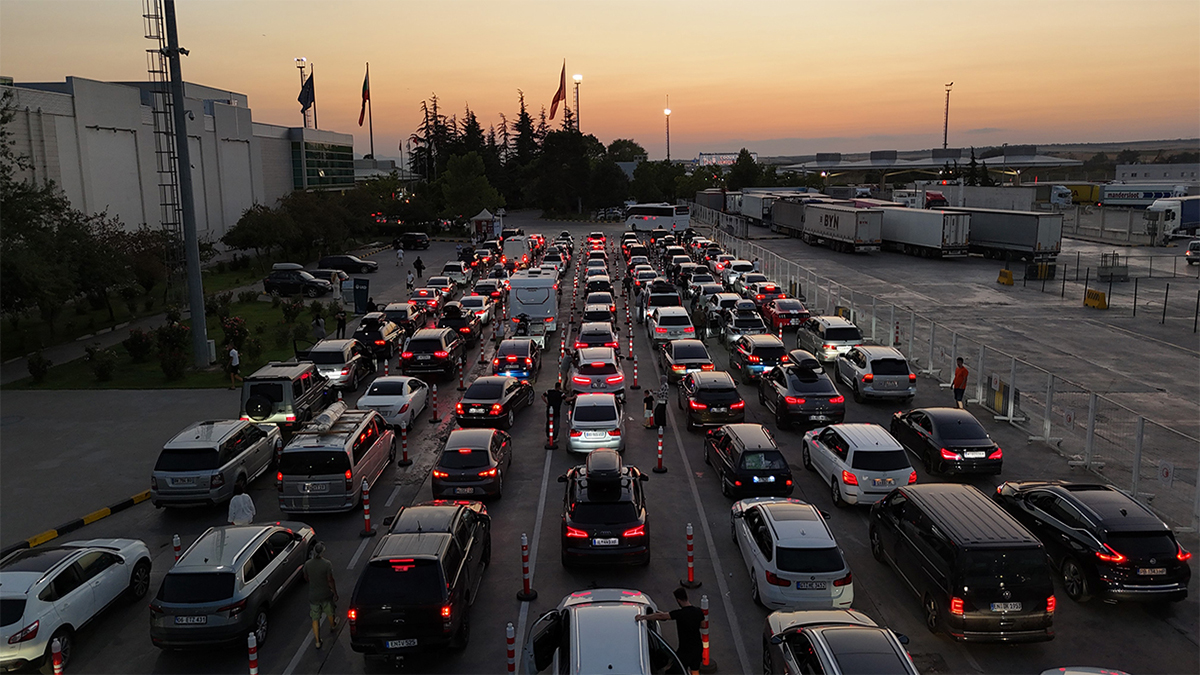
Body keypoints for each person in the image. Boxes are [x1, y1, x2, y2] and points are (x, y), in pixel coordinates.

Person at [635, 587, 704, 675]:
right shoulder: (698, 611)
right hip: (697, 648)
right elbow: (703, 625)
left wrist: (643, 617)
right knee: (695, 670)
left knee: (672, 671)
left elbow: (662, 617)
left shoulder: (680, 614)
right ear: (686, 597)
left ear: (678, 600)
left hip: (685, 650)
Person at [303, 542, 338, 650]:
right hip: (325, 593)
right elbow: (330, 580)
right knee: (330, 612)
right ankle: (332, 625)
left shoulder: (308, 564)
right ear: (322, 552)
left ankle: (317, 641)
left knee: (315, 618)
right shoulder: (327, 564)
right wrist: (335, 592)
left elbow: (306, 577)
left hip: (313, 595)